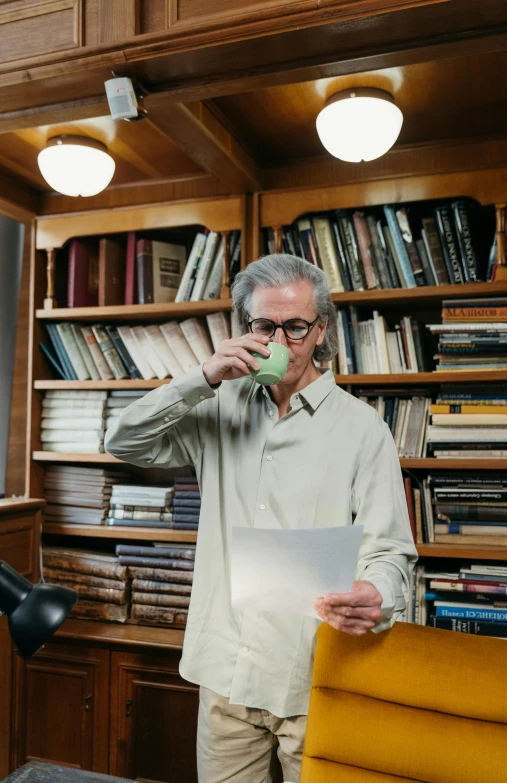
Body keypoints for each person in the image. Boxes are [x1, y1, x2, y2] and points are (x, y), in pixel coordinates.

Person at [105, 253, 418, 783]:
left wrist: (377, 592)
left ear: (321, 330)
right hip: (225, 675)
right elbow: (123, 441)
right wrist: (201, 377)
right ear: (245, 329)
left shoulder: (365, 430)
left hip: (314, 679)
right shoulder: (217, 404)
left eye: (296, 326)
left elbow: (390, 554)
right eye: (265, 325)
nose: (281, 341)